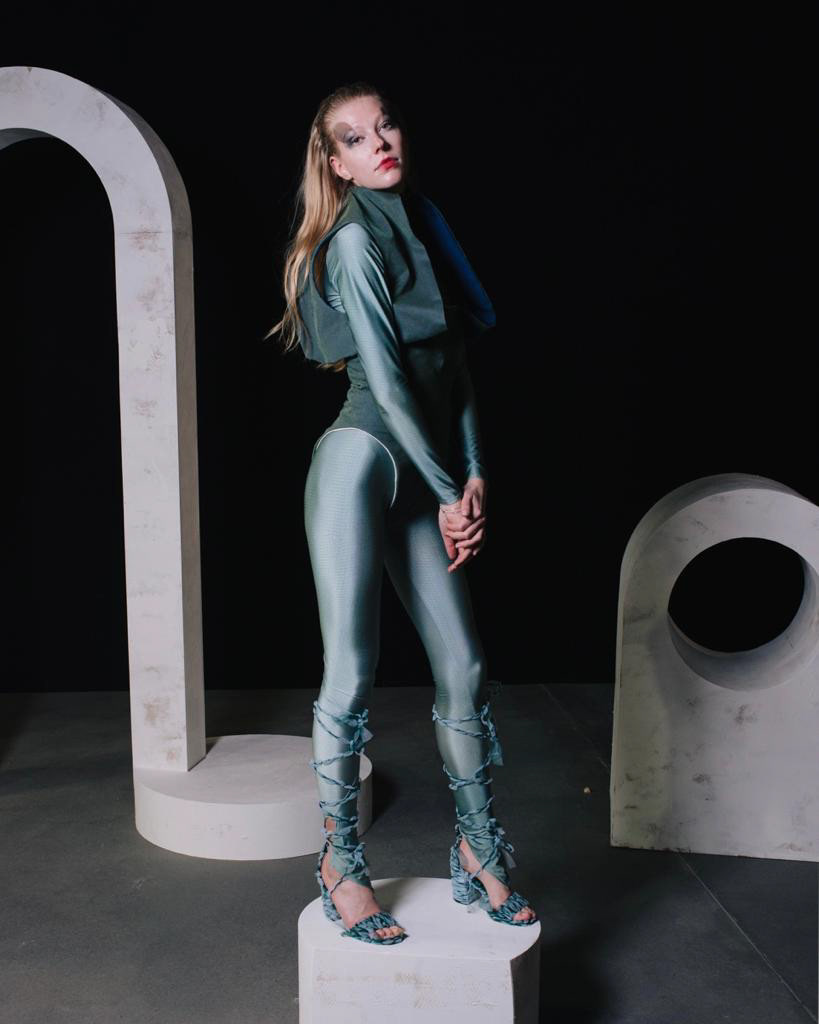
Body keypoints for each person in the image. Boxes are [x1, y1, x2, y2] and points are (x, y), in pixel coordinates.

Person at [266, 81, 537, 944]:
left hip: (429, 469)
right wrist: (448, 489)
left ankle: (477, 850)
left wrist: (473, 473)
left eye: (384, 125)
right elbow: (385, 386)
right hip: (360, 465)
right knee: (351, 672)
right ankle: (340, 864)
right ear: (335, 164)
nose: (377, 141)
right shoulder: (351, 241)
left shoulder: (421, 227)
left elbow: (453, 371)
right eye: (354, 137)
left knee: (465, 666)